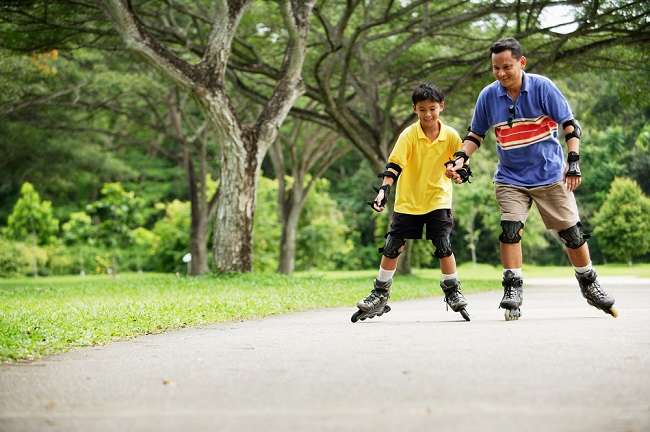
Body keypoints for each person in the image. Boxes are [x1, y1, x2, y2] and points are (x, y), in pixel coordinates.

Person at [446, 37, 616, 321]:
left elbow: (570, 126)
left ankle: (589, 283)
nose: (500, 74)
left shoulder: (542, 87)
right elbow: (475, 135)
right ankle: (513, 288)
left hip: (549, 174)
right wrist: (461, 157)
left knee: (571, 234)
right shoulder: (488, 95)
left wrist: (573, 162)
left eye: (507, 67)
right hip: (510, 177)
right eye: (495, 68)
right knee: (510, 229)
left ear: (521, 63)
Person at [351, 83, 472, 323]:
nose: (428, 114)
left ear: (441, 107)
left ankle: (452, 290)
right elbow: (394, 166)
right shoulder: (409, 135)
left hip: (438, 197)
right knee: (392, 246)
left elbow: (462, 166)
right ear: (414, 109)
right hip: (408, 200)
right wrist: (383, 191)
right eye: (422, 109)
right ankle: (380, 293)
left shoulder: (450, 136)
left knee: (442, 244)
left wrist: (456, 174)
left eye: (432, 109)